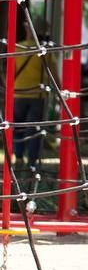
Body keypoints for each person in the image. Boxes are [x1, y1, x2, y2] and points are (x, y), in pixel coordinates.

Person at [7, 24, 50, 167]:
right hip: (37, 94)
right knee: (34, 128)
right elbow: (52, 72)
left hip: (18, 93)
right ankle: (32, 160)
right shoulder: (45, 50)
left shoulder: (18, 48)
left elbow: (10, 72)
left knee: (18, 126)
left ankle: (18, 156)